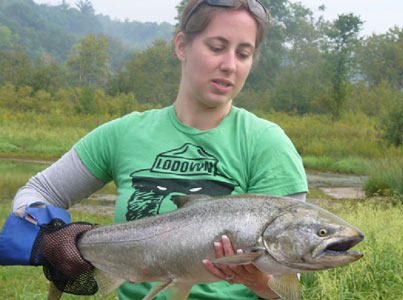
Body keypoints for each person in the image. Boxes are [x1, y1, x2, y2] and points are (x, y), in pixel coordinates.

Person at [5, 0, 308, 299]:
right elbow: (38, 191)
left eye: (244, 53)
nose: (230, 65)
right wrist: (53, 235)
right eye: (216, 47)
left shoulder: (268, 145)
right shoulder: (121, 135)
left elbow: (286, 287)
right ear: (182, 46)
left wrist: (257, 281)